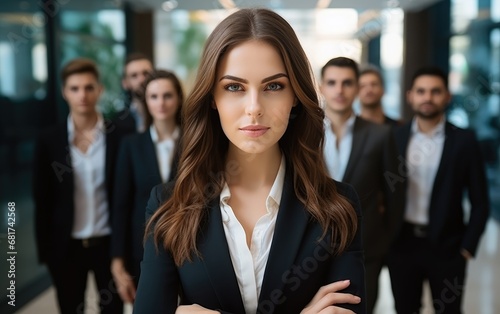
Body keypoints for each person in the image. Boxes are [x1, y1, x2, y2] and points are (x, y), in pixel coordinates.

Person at [134, 8, 366, 314]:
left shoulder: (338, 206)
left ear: (295, 94)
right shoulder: (168, 206)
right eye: (234, 87)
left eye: (273, 86)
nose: (254, 108)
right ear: (212, 98)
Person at [387, 66, 490, 314]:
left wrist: (467, 248)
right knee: (405, 310)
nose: (427, 98)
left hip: (448, 247)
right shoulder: (394, 137)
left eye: (435, 91)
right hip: (402, 245)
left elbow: (480, 201)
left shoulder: (464, 140)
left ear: (447, 97)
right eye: (421, 91)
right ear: (410, 96)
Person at [33, 58, 126, 313]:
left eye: (88, 87)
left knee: (113, 310)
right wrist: (47, 253)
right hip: (66, 247)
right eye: (74, 88)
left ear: (99, 90)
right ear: (65, 92)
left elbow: (125, 196)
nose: (82, 95)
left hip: (109, 245)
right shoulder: (49, 140)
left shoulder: (119, 137)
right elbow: (42, 199)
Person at [319, 57, 404, 314]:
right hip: (312, 248)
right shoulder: (304, 133)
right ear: (321, 87)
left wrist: (384, 239)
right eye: (332, 83)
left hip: (367, 247)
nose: (339, 90)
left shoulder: (380, 134)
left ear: (357, 88)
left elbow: (395, 194)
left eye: (347, 83)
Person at [110, 69, 183, 303]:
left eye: (167, 95)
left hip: (188, 241)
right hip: (141, 245)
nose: (160, 103)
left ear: (179, 98)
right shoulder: (131, 145)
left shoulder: (194, 142)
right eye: (153, 96)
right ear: (146, 101)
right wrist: (117, 258)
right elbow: (121, 203)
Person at [115, 52, 154, 133]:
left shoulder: (171, 114)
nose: (141, 80)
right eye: (134, 75)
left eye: (146, 73)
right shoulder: (117, 123)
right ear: (125, 83)